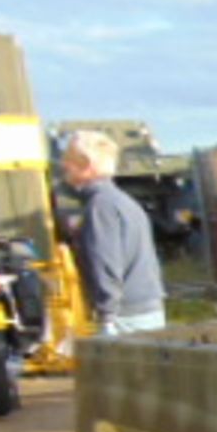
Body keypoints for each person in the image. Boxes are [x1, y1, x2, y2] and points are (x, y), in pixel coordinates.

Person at [60, 130, 165, 334]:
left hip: (124, 317)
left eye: (69, 160)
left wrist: (106, 316)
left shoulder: (100, 207)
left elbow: (106, 265)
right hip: (146, 309)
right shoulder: (123, 201)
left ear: (87, 165)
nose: (64, 166)